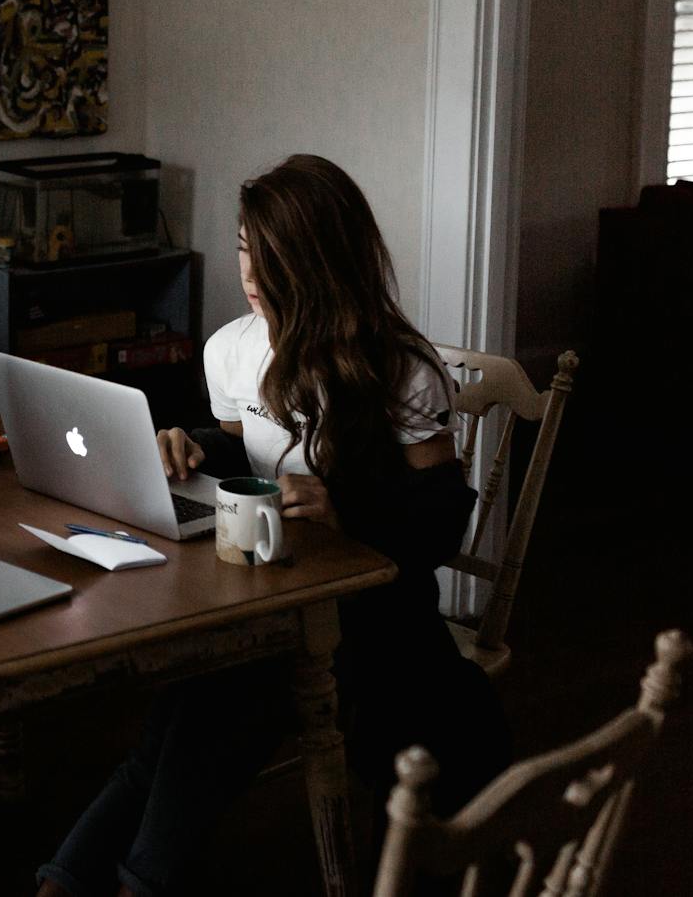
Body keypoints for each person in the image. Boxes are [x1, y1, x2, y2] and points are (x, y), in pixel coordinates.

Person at [35, 154, 508, 897]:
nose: (250, 271)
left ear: (320, 258)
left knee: (216, 697)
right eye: (244, 245)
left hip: (369, 613)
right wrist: (191, 444)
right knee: (185, 709)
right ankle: (75, 877)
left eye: (271, 253)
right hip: (268, 589)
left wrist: (346, 505)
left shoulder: (400, 369)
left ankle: (122, 879)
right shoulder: (232, 349)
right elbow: (245, 445)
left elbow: (444, 516)